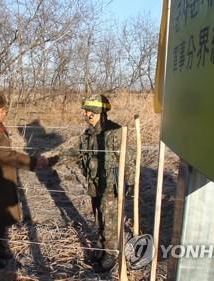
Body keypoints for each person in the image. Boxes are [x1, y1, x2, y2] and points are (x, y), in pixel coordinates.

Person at [0, 90, 47, 269]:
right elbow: (7, 155)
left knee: (0, 217)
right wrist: (34, 162)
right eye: (2, 110)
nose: (5, 113)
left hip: (1, 179)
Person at [78, 94, 129, 273]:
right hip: (95, 182)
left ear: (96, 112)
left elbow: (127, 159)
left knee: (110, 219)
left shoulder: (115, 131)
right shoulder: (88, 133)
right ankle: (101, 248)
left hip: (110, 185)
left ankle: (110, 253)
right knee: (99, 216)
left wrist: (127, 183)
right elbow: (79, 155)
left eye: (87, 110)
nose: (84, 113)